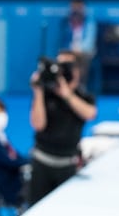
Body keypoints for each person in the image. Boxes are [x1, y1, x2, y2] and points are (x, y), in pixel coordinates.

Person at [28, 50, 96, 204]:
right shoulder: (45, 95)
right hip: (42, 163)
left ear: (77, 70)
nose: (62, 70)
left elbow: (90, 113)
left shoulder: (83, 96)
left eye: (67, 66)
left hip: (68, 164)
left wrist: (67, 94)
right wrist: (38, 92)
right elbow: (38, 125)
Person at [61, 0, 99, 76]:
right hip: (69, 52)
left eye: (79, 8)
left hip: (85, 52)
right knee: (62, 58)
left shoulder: (90, 23)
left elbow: (89, 43)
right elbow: (63, 42)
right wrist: (70, 51)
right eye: (74, 8)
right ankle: (65, 84)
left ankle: (80, 85)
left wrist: (78, 49)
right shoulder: (65, 23)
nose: (76, 11)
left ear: (83, 9)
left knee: (82, 58)